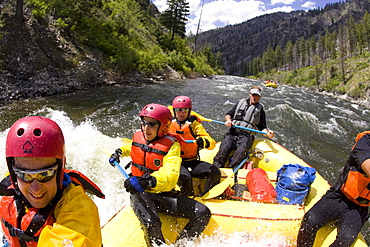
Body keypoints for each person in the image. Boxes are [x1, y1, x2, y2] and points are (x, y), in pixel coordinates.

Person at [109, 103, 211, 247]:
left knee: (202, 213)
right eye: (144, 123)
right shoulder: (140, 137)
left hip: (163, 193)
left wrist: (149, 181)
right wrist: (120, 152)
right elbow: (133, 147)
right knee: (152, 224)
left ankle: (181, 244)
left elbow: (170, 174)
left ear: (163, 126)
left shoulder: (172, 146)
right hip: (141, 193)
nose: (146, 128)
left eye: (152, 124)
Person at [0, 116, 104, 247]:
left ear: (61, 168)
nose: (36, 188)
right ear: (13, 172)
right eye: (24, 175)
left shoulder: (79, 209)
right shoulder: (10, 185)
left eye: (45, 174)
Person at [297, 131, 370, 247]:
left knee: (345, 240)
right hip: (338, 197)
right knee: (310, 221)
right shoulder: (365, 141)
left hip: (360, 208)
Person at [169, 96, 221, 196]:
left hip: (191, 161)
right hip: (175, 161)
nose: (181, 113)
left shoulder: (194, 124)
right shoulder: (169, 123)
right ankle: (188, 200)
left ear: (189, 111)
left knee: (215, 173)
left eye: (185, 110)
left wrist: (204, 142)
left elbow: (212, 143)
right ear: (174, 111)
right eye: (178, 110)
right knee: (184, 177)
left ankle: (205, 196)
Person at [213, 86, 275, 169]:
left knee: (240, 153)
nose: (255, 97)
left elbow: (262, 127)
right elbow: (229, 114)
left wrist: (267, 133)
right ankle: (215, 171)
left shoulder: (260, 111)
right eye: (253, 95)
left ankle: (232, 173)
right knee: (223, 150)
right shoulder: (240, 103)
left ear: (259, 97)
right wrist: (228, 120)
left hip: (246, 136)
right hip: (233, 132)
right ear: (250, 94)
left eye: (257, 95)